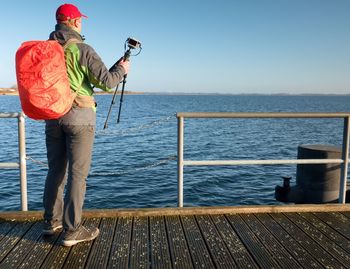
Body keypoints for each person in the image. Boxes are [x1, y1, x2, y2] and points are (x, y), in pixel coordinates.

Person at [42, 3, 129, 247]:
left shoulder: (47, 49)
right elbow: (107, 82)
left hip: (52, 116)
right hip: (79, 116)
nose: (82, 23)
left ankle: (51, 222)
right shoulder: (82, 49)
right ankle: (72, 231)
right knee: (77, 176)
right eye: (80, 20)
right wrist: (122, 68)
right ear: (74, 22)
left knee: (55, 171)